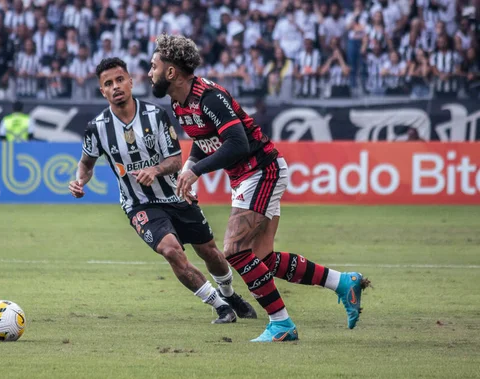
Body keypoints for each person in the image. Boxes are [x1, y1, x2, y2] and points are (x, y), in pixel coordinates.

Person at [148, 34, 371, 342]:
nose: (150, 73)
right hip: (246, 177)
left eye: (154, 66)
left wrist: (197, 171)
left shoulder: (210, 97)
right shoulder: (179, 102)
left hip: (261, 170)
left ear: (171, 72)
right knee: (262, 260)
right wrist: (188, 167)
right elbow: (204, 141)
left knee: (234, 251)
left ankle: (281, 324)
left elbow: (238, 143)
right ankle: (343, 283)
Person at [68, 57, 256, 324]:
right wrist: (80, 181)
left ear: (131, 81)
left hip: (175, 195)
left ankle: (230, 295)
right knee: (170, 250)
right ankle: (220, 306)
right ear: (102, 91)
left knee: (210, 252)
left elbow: (176, 161)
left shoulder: (156, 115)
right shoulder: (96, 128)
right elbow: (86, 164)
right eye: (108, 84)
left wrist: (155, 170)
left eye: (120, 79)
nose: (116, 87)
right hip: (140, 205)